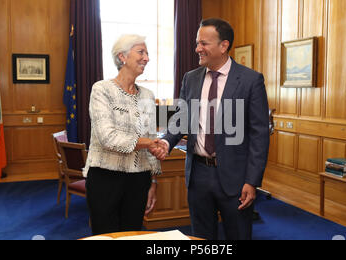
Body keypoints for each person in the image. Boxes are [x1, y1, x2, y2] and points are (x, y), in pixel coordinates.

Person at [154, 18, 270, 240]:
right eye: (197, 43)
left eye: (203, 43)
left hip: (236, 178)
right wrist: (166, 142)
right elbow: (181, 118)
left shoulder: (250, 80)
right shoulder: (191, 78)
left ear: (224, 46)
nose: (197, 49)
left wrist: (252, 180)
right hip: (198, 175)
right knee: (201, 239)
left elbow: (259, 136)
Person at [83, 34, 163, 235]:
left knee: (132, 235)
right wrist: (148, 142)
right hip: (105, 178)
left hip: (139, 180)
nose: (146, 58)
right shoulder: (102, 90)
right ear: (122, 57)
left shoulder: (147, 95)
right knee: (106, 236)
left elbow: (151, 139)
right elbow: (107, 138)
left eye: (147, 53)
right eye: (141, 52)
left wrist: (153, 182)